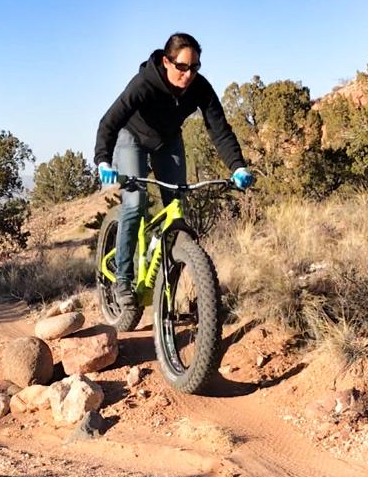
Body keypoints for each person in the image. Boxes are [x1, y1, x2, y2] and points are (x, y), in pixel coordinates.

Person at [93, 32, 255, 306]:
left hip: (168, 141)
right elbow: (109, 121)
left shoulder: (200, 88)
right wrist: (103, 161)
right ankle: (123, 279)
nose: (188, 74)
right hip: (132, 137)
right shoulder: (144, 83)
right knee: (135, 202)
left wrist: (237, 166)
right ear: (167, 62)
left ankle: (167, 283)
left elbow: (219, 130)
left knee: (177, 203)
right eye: (182, 66)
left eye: (195, 67)